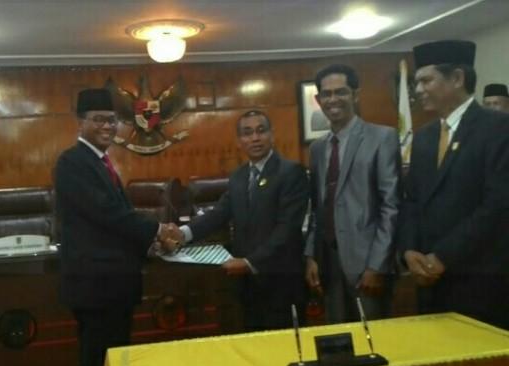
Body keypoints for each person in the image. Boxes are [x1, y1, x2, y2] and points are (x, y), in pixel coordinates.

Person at [55, 88, 176, 366]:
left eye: (111, 120)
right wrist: (158, 229)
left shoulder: (100, 162)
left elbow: (113, 225)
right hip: (97, 289)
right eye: (98, 120)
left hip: (112, 288)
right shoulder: (72, 162)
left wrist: (148, 247)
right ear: (80, 123)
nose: (107, 126)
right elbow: (107, 214)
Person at [399, 40, 509, 328]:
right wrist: (409, 251)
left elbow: (497, 206)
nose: (418, 90)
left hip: (480, 280)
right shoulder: (424, 137)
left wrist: (443, 256)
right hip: (428, 279)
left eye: (426, 81)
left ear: (457, 78)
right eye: (416, 82)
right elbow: (412, 200)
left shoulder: (498, 129)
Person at [171, 110, 309, 330]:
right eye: (247, 133)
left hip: (280, 280)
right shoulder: (238, 176)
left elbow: (288, 229)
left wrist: (250, 262)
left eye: (261, 131)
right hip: (246, 284)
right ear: (239, 141)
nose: (255, 138)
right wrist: (183, 233)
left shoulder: (291, 172)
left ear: (272, 135)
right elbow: (219, 213)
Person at [304, 64, 401, 324]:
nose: (333, 99)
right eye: (327, 94)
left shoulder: (382, 137)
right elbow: (318, 208)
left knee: (373, 339)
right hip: (328, 263)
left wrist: (377, 265)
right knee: (338, 338)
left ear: (355, 95)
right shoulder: (317, 148)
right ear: (318, 100)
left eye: (341, 92)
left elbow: (391, 206)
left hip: (367, 263)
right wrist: (312, 256)